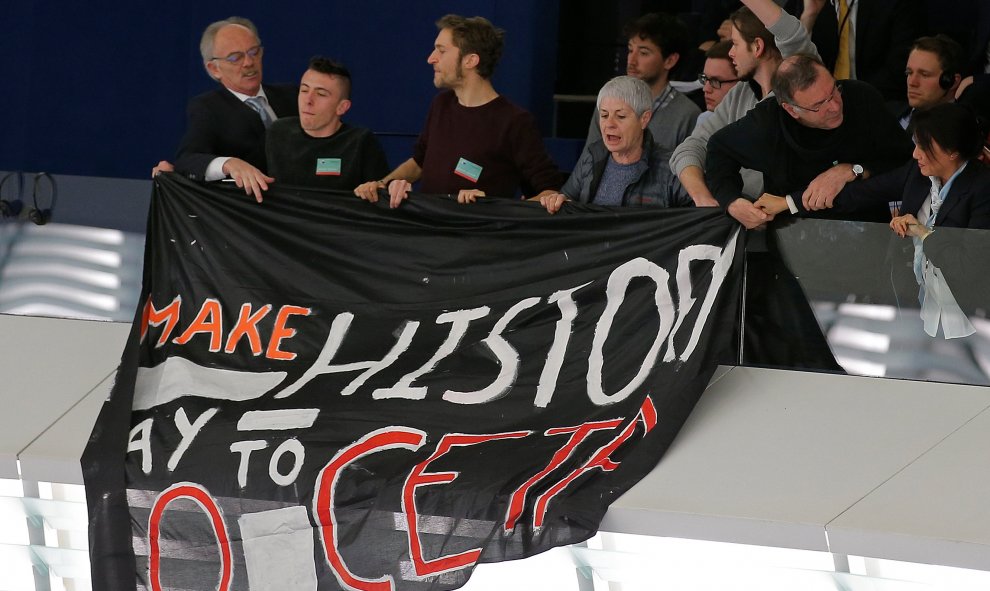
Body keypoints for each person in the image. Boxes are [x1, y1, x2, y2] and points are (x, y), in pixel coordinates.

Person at [353, 14, 560, 208]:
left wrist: (493, 207)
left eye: (441, 51)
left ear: (470, 60)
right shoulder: (441, 104)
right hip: (427, 231)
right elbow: (419, 162)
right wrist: (382, 184)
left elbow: (549, 193)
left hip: (476, 239)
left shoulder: (515, 122)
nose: (431, 58)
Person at [705, 53, 914, 223]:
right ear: (791, 110)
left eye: (834, 91)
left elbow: (904, 161)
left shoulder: (861, 99)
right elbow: (718, 149)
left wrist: (854, 169)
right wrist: (732, 202)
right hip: (795, 236)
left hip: (868, 229)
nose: (834, 106)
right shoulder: (767, 125)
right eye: (818, 105)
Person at [669, 0, 819, 217]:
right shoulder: (739, 93)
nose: (730, 53)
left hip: (799, 222)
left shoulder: (801, 81)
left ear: (757, 47)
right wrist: (705, 200)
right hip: (740, 221)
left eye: (735, 44)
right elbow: (691, 147)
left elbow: (790, 32)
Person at [755, 103, 990, 232]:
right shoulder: (916, 173)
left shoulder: (982, 189)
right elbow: (858, 195)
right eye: (916, 144)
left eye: (925, 147)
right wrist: (787, 203)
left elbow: (971, 261)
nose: (915, 154)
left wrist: (920, 232)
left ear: (953, 151)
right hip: (908, 294)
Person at [165, 17, 298, 202]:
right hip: (253, 210)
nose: (248, 63)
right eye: (235, 58)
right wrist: (229, 164)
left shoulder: (293, 96)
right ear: (214, 69)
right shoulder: (209, 108)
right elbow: (187, 160)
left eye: (254, 52)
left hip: (303, 205)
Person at [538, 76, 690, 214]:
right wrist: (556, 201)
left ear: (644, 119)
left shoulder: (671, 167)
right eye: (604, 115)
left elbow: (697, 218)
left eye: (621, 116)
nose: (609, 124)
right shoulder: (592, 156)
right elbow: (567, 200)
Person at [265, 57, 388, 191]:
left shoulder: (360, 142)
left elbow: (380, 195)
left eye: (321, 94)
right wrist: (238, 164)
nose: (308, 100)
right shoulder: (278, 132)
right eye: (304, 90)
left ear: (342, 107)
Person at [584, 13, 701, 153]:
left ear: (670, 60)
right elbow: (588, 163)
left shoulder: (687, 115)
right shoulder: (608, 103)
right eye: (630, 50)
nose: (631, 61)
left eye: (643, 53)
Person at [799, 0, 923, 102]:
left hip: (878, 99)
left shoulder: (898, 4)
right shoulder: (808, 4)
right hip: (820, 101)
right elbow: (789, 70)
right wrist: (810, 15)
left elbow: (901, 66)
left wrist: (851, 98)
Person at [898, 35, 965, 130]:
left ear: (952, 82)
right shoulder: (887, 113)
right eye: (909, 73)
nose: (912, 83)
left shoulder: (963, 130)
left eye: (924, 75)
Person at [695, 41, 740, 128]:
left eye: (715, 81)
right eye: (705, 78)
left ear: (741, 83)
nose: (706, 89)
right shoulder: (704, 119)